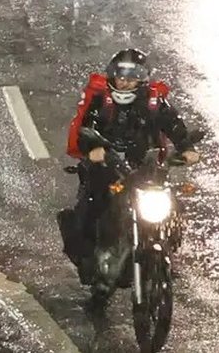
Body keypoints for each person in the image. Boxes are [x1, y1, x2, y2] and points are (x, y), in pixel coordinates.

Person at [61, 49, 199, 283]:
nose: (125, 83)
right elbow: (88, 127)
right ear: (112, 77)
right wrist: (94, 148)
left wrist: (186, 148)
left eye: (132, 77)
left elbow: (174, 125)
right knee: (91, 204)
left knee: (173, 205)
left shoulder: (155, 103)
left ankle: (166, 249)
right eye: (121, 76)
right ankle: (88, 258)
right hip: (108, 167)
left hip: (145, 167)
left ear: (142, 78)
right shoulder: (100, 101)